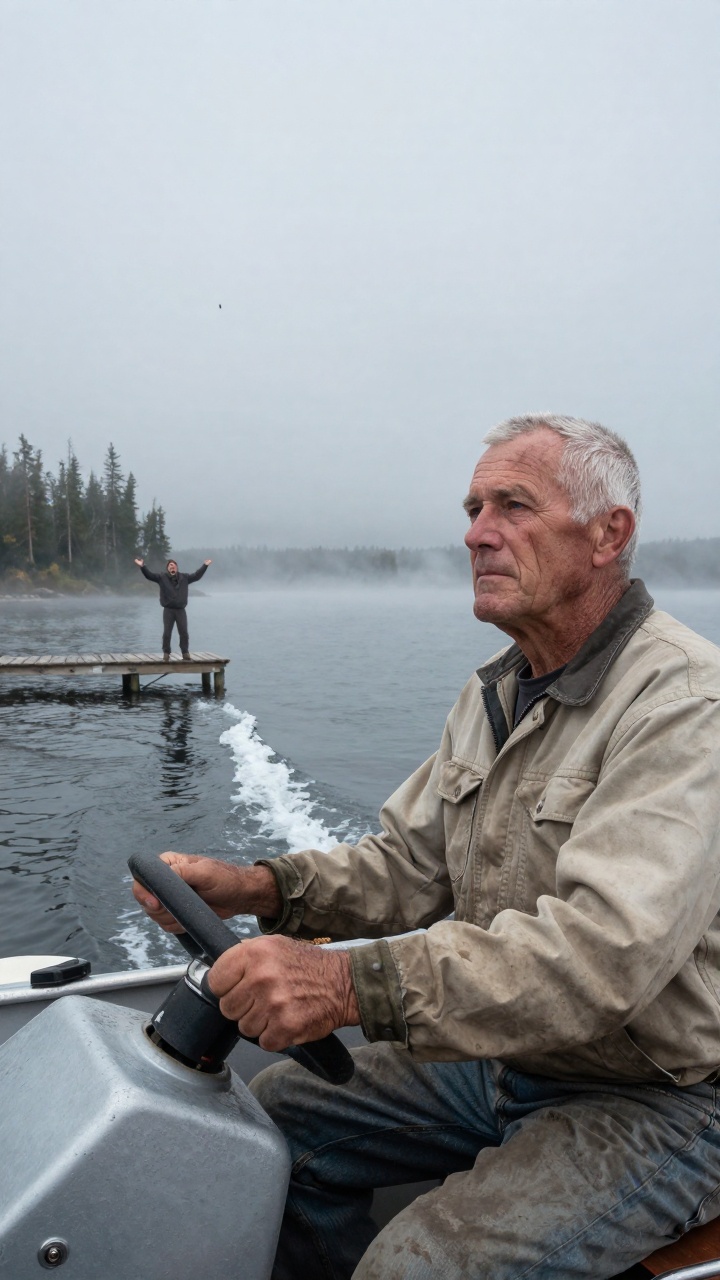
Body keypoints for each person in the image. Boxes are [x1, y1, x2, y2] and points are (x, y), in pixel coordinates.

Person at [132, 414, 720, 1280]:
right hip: (507, 1059)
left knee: (417, 1266)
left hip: (656, 1100)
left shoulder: (685, 704)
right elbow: (407, 867)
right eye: (474, 507)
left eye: (512, 506)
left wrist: (345, 984)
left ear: (609, 534)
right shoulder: (497, 692)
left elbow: (603, 958)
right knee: (271, 1122)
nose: (476, 532)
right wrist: (252, 887)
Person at [134, 556, 212, 660]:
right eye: (170, 565)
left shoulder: (184, 577)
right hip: (168, 610)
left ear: (177, 568)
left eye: (174, 565)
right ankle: (166, 653)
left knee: (184, 632)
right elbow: (149, 575)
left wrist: (205, 566)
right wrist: (142, 566)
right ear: (167, 568)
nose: (172, 567)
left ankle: (185, 652)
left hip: (180, 610)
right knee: (167, 632)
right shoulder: (161, 577)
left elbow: (197, 575)